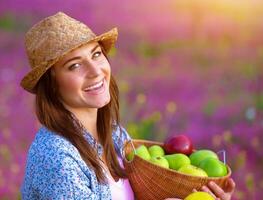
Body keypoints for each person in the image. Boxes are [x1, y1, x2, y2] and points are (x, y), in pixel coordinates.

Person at [20, 12, 235, 200]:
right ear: (51, 86)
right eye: (74, 65)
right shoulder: (56, 158)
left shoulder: (115, 136)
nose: (95, 71)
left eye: (96, 54)